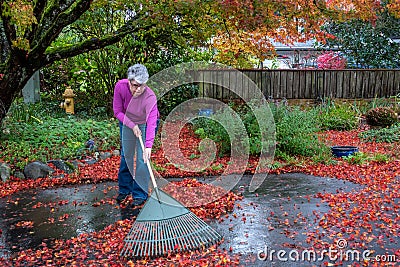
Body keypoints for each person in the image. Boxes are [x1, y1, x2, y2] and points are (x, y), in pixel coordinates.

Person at [113, 64, 159, 206]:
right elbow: (117, 111)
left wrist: (148, 146)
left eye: (142, 86)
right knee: (126, 156)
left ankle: (140, 193)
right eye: (135, 85)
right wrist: (132, 126)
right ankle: (124, 189)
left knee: (142, 159)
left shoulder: (150, 96)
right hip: (127, 121)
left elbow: (152, 122)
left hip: (145, 124)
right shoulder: (120, 87)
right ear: (129, 81)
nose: (138, 90)